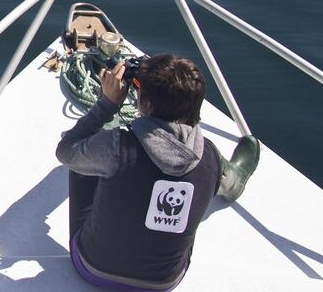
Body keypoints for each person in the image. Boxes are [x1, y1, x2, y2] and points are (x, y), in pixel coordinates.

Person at [56, 54, 259, 291]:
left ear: (146, 103)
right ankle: (234, 181)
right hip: (165, 280)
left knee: (83, 166)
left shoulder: (116, 148)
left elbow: (66, 150)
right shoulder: (210, 156)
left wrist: (107, 105)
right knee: (215, 176)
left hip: (94, 268)